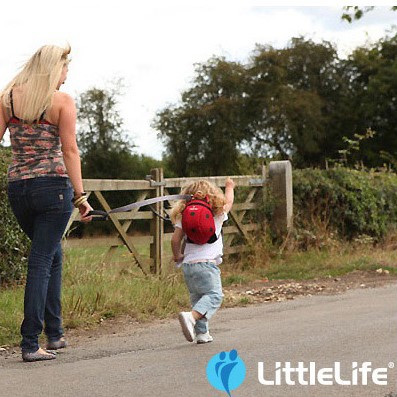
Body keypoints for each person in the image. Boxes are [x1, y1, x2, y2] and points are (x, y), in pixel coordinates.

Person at [0, 44, 93, 362]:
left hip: (18, 188)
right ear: (55, 67)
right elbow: (70, 151)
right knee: (41, 259)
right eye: (66, 69)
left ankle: (54, 333)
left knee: (51, 255)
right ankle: (29, 343)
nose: (66, 78)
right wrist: (80, 197)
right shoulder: (62, 102)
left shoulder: (8, 97)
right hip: (53, 189)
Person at [170, 177, 234, 344]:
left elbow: (175, 240)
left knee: (198, 299)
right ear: (212, 196)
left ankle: (201, 334)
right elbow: (229, 201)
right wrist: (229, 186)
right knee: (214, 296)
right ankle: (190, 317)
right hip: (207, 265)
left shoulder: (183, 216)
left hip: (188, 265)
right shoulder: (218, 214)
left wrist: (177, 256)